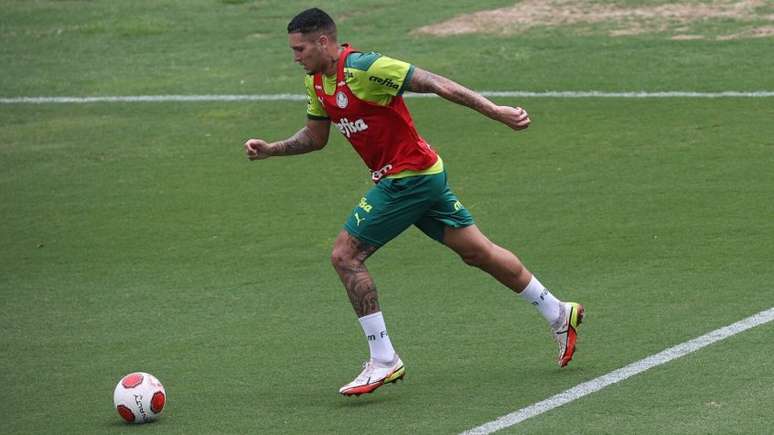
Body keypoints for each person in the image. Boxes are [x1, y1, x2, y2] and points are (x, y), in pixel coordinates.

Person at [244, 8, 584, 397]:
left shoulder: (366, 68)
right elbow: (315, 137)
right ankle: (558, 311)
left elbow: (437, 83)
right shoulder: (317, 84)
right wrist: (272, 149)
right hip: (422, 174)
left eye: (300, 48)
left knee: (345, 256)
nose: (295, 57)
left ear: (323, 41)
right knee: (478, 252)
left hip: (407, 178)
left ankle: (384, 359)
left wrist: (496, 112)